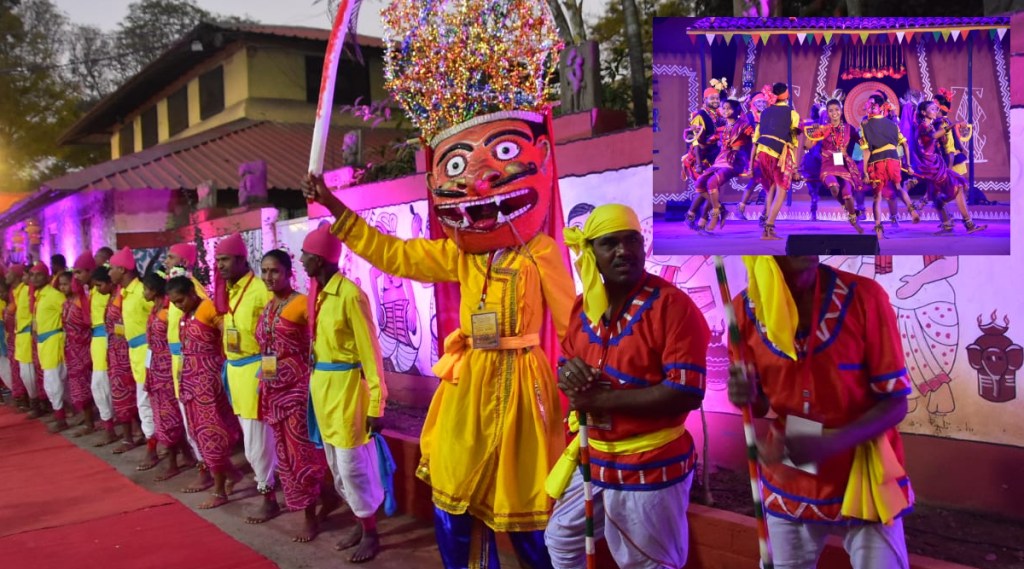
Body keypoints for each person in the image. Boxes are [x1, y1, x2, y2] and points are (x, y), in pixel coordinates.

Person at [317, 3, 575, 566]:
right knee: (453, 502)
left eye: (503, 153)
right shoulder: (460, 255)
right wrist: (337, 211)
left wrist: (583, 392)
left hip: (522, 392)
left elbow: (573, 322)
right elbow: (394, 253)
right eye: (458, 167)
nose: (479, 180)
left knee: (525, 510)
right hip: (466, 386)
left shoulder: (541, 252)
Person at [544, 204, 709, 568]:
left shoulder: (671, 306)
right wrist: (568, 376)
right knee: (561, 540)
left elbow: (686, 391)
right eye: (610, 243)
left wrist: (604, 398)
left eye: (631, 240)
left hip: (651, 460)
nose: (624, 251)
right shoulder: (582, 308)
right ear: (592, 253)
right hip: (594, 454)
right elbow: (566, 362)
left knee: (646, 563)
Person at [727, 256, 914, 569]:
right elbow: (759, 406)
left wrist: (827, 443)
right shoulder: (743, 311)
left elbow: (896, 402)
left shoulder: (865, 296)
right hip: (792, 453)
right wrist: (745, 395)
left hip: (864, 456)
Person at [300, 226, 388, 562]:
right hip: (323, 391)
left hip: (349, 390)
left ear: (319, 259)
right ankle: (360, 519)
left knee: (353, 466)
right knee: (336, 466)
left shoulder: (350, 295)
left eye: (305, 254)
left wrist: (378, 403)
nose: (301, 258)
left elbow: (371, 353)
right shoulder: (319, 293)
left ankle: (370, 532)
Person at [257, 248, 340, 543]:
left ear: (290, 272)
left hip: (297, 392)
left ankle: (309, 515)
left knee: (300, 455)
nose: (268, 277)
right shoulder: (268, 308)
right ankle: (328, 498)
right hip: (273, 391)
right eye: (264, 271)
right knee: (284, 454)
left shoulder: (304, 304)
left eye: (274, 271)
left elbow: (322, 340)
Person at [214, 234, 278, 523]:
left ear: (241, 260)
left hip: (255, 371)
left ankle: (269, 496)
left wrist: (269, 378)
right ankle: (268, 488)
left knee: (257, 443)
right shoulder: (229, 290)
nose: (220, 266)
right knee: (252, 440)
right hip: (235, 372)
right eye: (217, 261)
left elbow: (273, 338)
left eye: (225, 260)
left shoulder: (260, 290)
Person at [168, 276, 244, 509]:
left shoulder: (209, 308)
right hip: (191, 383)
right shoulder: (186, 315)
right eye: (174, 303)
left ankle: (220, 491)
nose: (178, 306)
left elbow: (229, 336)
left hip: (209, 383)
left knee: (213, 434)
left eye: (180, 300)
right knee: (198, 433)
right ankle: (232, 475)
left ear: (192, 292)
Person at [164, 244, 214, 492]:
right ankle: (201, 465)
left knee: (199, 421)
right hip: (178, 364)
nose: (166, 260)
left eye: (171, 257)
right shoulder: (174, 290)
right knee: (188, 421)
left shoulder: (196, 292)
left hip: (195, 365)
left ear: (183, 260)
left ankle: (208, 470)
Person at [108, 247, 158, 469]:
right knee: (143, 402)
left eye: (112, 269)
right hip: (134, 354)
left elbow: (158, 313)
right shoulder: (126, 293)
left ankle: (153, 448)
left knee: (146, 402)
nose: (109, 274)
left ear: (122, 269)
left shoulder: (140, 292)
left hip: (148, 353)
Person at [142, 271, 192, 481]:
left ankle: (173, 462)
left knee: (169, 416)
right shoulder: (155, 310)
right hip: (155, 367)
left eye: (145, 288)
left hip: (167, 368)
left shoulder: (167, 311)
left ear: (154, 290)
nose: (143, 291)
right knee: (162, 415)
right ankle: (186, 456)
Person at [910, 100, 987, 235]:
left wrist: (943, 137)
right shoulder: (923, 126)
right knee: (957, 188)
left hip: (934, 164)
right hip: (931, 167)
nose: (935, 111)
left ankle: (947, 225)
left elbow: (934, 139)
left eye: (936, 109)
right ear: (923, 112)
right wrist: (951, 126)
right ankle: (968, 224)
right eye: (932, 109)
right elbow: (932, 136)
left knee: (937, 195)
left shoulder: (930, 125)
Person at [95, 266, 141, 454]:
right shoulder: (116, 294)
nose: (109, 273)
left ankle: (133, 436)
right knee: (121, 393)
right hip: (116, 350)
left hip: (127, 350)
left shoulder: (129, 293)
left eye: (112, 269)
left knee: (130, 393)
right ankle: (131, 435)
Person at [859, 94, 919, 239]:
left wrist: (866, 172)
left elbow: (866, 150)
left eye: (870, 105)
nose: (869, 107)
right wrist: (908, 164)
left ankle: (878, 228)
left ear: (878, 107)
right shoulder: (893, 125)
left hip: (877, 161)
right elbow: (905, 144)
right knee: (898, 187)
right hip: (893, 158)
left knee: (877, 197)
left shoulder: (865, 125)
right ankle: (912, 210)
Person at [803, 98, 865, 233]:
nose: (834, 113)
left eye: (836, 110)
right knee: (834, 188)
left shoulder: (849, 129)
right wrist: (812, 134)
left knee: (848, 193)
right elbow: (807, 146)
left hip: (842, 163)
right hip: (828, 163)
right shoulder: (823, 129)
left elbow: (862, 143)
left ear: (841, 111)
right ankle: (850, 210)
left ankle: (854, 221)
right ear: (828, 113)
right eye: (831, 111)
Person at [749, 83, 801, 240]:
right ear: (787, 95)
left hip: (762, 153)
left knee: (770, 188)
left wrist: (751, 165)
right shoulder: (792, 114)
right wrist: (795, 168)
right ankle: (769, 227)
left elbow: (756, 140)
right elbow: (793, 142)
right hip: (778, 152)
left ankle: (767, 227)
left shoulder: (764, 112)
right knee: (782, 189)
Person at [693, 98, 753, 231]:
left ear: (736, 110)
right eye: (723, 108)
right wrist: (697, 133)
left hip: (735, 160)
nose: (725, 110)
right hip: (721, 160)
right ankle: (720, 209)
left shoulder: (744, 125)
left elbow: (755, 140)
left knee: (711, 183)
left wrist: (751, 163)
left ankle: (714, 216)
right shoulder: (721, 128)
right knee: (699, 183)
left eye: (728, 108)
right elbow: (705, 143)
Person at [79, 255, 118, 446]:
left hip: (105, 339)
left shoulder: (108, 294)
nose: (76, 277)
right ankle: (109, 425)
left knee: (100, 384)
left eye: (79, 272)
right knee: (102, 385)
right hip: (97, 340)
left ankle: (110, 427)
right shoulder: (93, 292)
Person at [32, 263, 69, 432]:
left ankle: (61, 418)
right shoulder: (39, 295)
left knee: (52, 381)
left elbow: (67, 311)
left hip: (54, 340)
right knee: (53, 381)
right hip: (43, 343)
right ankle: (62, 412)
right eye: (32, 275)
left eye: (38, 274)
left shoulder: (54, 295)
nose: (34, 278)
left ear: (47, 276)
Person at [57, 270, 94, 437]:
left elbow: (88, 324)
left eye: (65, 284)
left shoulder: (82, 301)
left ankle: (90, 422)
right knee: (78, 384)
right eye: (61, 285)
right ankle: (87, 418)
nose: (63, 287)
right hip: (71, 348)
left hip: (83, 347)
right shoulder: (66, 303)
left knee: (84, 383)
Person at [14, 262, 40, 417]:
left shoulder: (32, 291)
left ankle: (36, 403)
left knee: (29, 373)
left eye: (27, 274)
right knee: (25, 373)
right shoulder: (21, 290)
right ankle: (34, 402)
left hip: (29, 335)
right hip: (21, 335)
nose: (26, 277)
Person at [4, 265, 29, 412]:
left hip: (24, 335)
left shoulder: (25, 291)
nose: (6, 275)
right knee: (17, 369)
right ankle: (22, 399)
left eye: (9, 273)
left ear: (17, 276)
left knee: (26, 370)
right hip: (14, 336)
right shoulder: (13, 292)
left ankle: (29, 401)